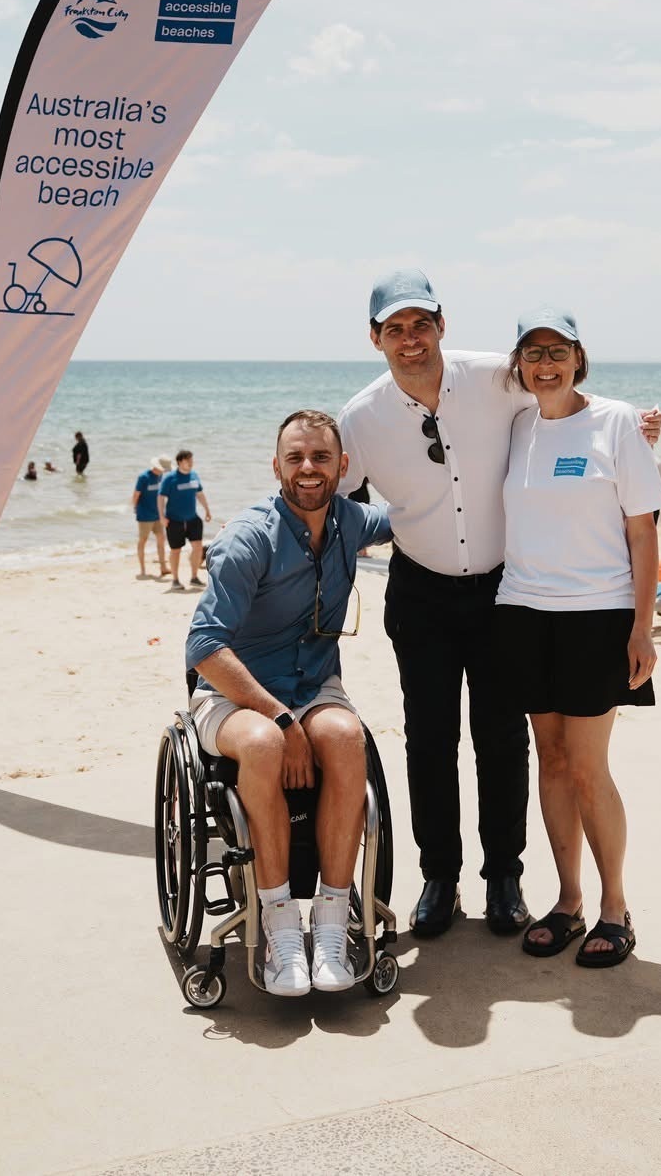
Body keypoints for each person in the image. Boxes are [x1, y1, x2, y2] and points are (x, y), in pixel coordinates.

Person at [338, 269, 661, 940]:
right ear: (374, 337)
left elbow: (565, 393)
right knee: (429, 739)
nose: (410, 339)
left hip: (500, 593)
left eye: (420, 324)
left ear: (441, 325)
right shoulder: (359, 419)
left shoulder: (494, 375)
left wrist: (632, 424)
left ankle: (506, 878)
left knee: (504, 740)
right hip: (420, 590)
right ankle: (439, 878)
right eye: (394, 329)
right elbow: (333, 501)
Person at [184, 411, 393, 995]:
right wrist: (279, 715)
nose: (308, 469)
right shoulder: (247, 538)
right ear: (275, 465)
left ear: (343, 467)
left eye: (321, 458)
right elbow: (203, 646)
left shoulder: (354, 521)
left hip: (316, 688)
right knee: (263, 741)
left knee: (348, 738)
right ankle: (278, 927)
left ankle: (329, 922)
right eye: (295, 458)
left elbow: (424, 511)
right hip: (236, 693)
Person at [492, 308, 661, 969]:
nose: (545, 363)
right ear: (519, 364)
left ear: (578, 356)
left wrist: (642, 625)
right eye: (533, 352)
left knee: (590, 767)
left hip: (598, 614)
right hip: (523, 610)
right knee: (553, 761)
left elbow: (643, 531)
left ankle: (614, 908)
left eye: (557, 350)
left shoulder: (616, 421)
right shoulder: (517, 427)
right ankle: (566, 901)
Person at [159, 450, 212, 590]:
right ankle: (175, 580)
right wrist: (161, 517)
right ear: (180, 462)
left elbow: (199, 494)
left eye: (192, 460)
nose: (191, 463)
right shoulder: (170, 478)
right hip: (174, 521)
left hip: (193, 519)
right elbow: (160, 497)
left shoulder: (194, 476)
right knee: (175, 550)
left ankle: (194, 577)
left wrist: (207, 509)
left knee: (197, 547)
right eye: (188, 460)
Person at [132, 455, 173, 578]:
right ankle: (142, 569)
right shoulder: (143, 477)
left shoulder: (160, 476)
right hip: (144, 516)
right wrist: (136, 509)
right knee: (142, 541)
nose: (165, 471)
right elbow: (136, 495)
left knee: (161, 539)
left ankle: (163, 567)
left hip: (158, 515)